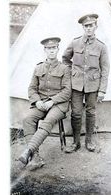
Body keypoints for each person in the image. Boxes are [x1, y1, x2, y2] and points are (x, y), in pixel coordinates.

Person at [17, 37, 71, 170]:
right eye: (48, 48)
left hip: (58, 104)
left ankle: (28, 151)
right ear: (44, 50)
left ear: (58, 49)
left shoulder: (64, 68)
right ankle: (35, 157)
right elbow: (31, 88)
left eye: (54, 48)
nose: (51, 51)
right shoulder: (38, 67)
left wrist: (52, 101)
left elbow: (67, 91)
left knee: (49, 120)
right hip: (42, 103)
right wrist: (37, 101)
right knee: (27, 119)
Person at [62, 14, 110, 153]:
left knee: (90, 112)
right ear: (83, 27)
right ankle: (75, 142)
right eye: (86, 26)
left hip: (93, 85)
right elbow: (65, 59)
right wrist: (73, 72)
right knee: (76, 113)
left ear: (96, 26)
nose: (89, 28)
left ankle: (89, 141)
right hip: (76, 85)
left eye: (91, 25)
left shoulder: (101, 46)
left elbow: (105, 69)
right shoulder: (75, 42)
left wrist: (102, 90)